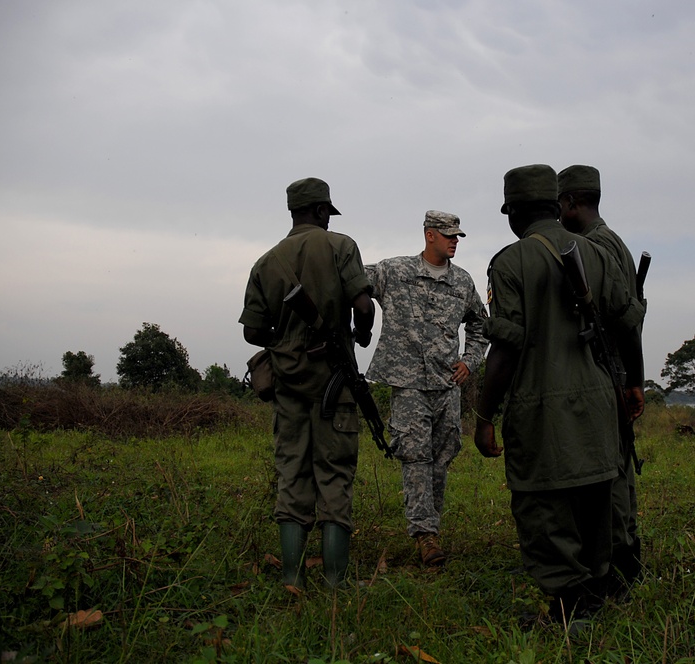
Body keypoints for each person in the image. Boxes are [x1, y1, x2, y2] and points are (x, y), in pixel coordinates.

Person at [473, 164, 644, 624]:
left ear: (515, 212)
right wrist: (633, 383)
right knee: (595, 498)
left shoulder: (509, 262)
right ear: (556, 205)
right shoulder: (598, 253)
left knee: (545, 506)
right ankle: (595, 594)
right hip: (598, 402)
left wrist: (485, 414)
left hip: (539, 407)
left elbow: (505, 348)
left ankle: (571, 608)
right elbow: (629, 322)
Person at [239, 177, 374, 590]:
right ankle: (336, 583)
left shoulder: (266, 262)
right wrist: (360, 334)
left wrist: (288, 336)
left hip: (288, 382)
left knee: (292, 474)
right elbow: (363, 305)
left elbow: (253, 332)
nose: (329, 222)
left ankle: (292, 579)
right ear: (320, 211)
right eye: (327, 214)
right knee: (334, 476)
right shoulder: (340, 247)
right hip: (336, 379)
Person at [365, 210, 488, 566]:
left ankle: (431, 527)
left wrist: (470, 360)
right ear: (429, 234)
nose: (454, 241)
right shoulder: (395, 271)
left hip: (446, 386)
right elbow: (351, 279)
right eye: (448, 235)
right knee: (416, 457)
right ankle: (425, 536)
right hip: (408, 385)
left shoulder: (462, 282)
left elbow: (481, 325)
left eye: (457, 236)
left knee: (441, 457)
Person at [558, 164, 646, 596]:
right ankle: (621, 557)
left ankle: (618, 564)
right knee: (616, 467)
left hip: (607, 369)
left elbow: (627, 321)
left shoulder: (595, 247)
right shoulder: (612, 243)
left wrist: (633, 381)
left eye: (561, 203)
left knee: (610, 472)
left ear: (572, 202)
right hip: (615, 369)